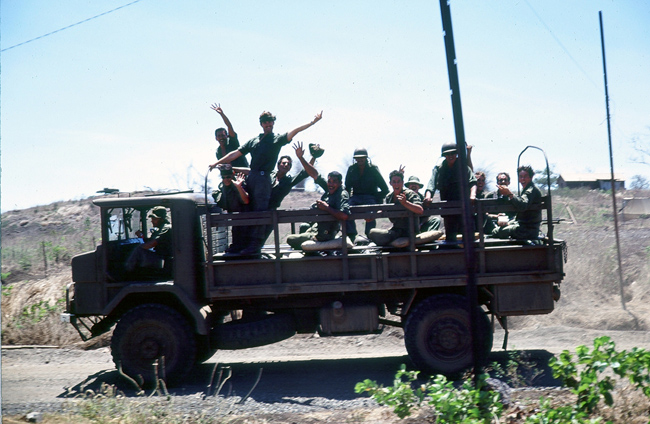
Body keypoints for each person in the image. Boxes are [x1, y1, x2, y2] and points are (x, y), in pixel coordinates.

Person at [209, 110, 323, 255]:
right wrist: (216, 163)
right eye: (265, 122)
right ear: (261, 124)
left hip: (263, 179)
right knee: (244, 211)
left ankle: (254, 247)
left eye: (270, 121)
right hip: (252, 176)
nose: (268, 124)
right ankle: (239, 245)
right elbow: (236, 153)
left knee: (260, 213)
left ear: (273, 123)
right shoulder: (254, 140)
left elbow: (294, 131)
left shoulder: (276, 139)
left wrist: (312, 122)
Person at [286, 142, 350, 250]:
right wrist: (301, 158)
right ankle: (310, 250)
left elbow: (344, 215)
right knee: (304, 226)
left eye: (334, 182)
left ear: (340, 183)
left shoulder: (341, 194)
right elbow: (314, 174)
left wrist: (326, 207)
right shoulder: (330, 189)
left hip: (326, 232)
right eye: (329, 181)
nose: (331, 184)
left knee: (290, 239)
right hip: (317, 227)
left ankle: (312, 251)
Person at [424, 143, 477, 243]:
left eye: (453, 153)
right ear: (444, 156)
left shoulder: (463, 167)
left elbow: (472, 182)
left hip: (464, 207)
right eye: (448, 154)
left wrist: (472, 195)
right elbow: (431, 185)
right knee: (450, 238)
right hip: (448, 209)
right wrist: (428, 196)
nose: (451, 156)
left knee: (469, 238)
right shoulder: (439, 169)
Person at [344, 148, 389, 243]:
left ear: (366, 158)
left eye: (362, 158)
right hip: (355, 197)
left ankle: (370, 237)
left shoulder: (373, 169)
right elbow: (347, 188)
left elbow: (385, 189)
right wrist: (346, 200)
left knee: (371, 212)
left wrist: (377, 199)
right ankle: (351, 236)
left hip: (370, 197)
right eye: (357, 158)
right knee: (346, 210)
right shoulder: (351, 169)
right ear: (355, 159)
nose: (360, 160)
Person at [368, 170, 423, 246]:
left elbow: (419, 210)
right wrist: (372, 217)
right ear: (390, 183)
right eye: (394, 182)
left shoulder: (410, 194)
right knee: (372, 233)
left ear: (402, 182)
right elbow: (384, 210)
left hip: (410, 231)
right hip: (396, 231)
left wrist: (405, 203)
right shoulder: (389, 197)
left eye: (398, 181)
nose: (396, 184)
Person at [490, 165, 542, 240]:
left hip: (527, 230)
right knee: (502, 227)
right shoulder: (526, 189)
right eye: (521, 176)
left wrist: (509, 194)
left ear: (531, 177)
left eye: (525, 176)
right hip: (524, 226)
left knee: (496, 231)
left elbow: (522, 205)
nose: (523, 179)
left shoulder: (531, 190)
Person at [211, 165, 250, 253]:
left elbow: (246, 200)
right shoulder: (223, 186)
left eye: (228, 177)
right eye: (223, 177)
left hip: (245, 218)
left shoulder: (239, 183)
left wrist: (239, 186)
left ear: (232, 174)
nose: (226, 179)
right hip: (234, 218)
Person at [125, 206, 173, 273]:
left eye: (154, 219)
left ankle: (127, 271)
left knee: (139, 249)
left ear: (161, 219)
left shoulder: (165, 228)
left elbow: (152, 244)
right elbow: (152, 241)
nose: (152, 220)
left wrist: (141, 246)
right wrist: (141, 237)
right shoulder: (161, 227)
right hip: (161, 257)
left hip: (163, 258)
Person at [211, 103, 249, 168]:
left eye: (223, 135)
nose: (221, 138)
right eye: (219, 136)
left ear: (227, 136)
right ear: (216, 138)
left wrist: (222, 114)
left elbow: (229, 127)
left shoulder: (233, 143)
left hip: (243, 174)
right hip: (231, 176)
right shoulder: (218, 151)